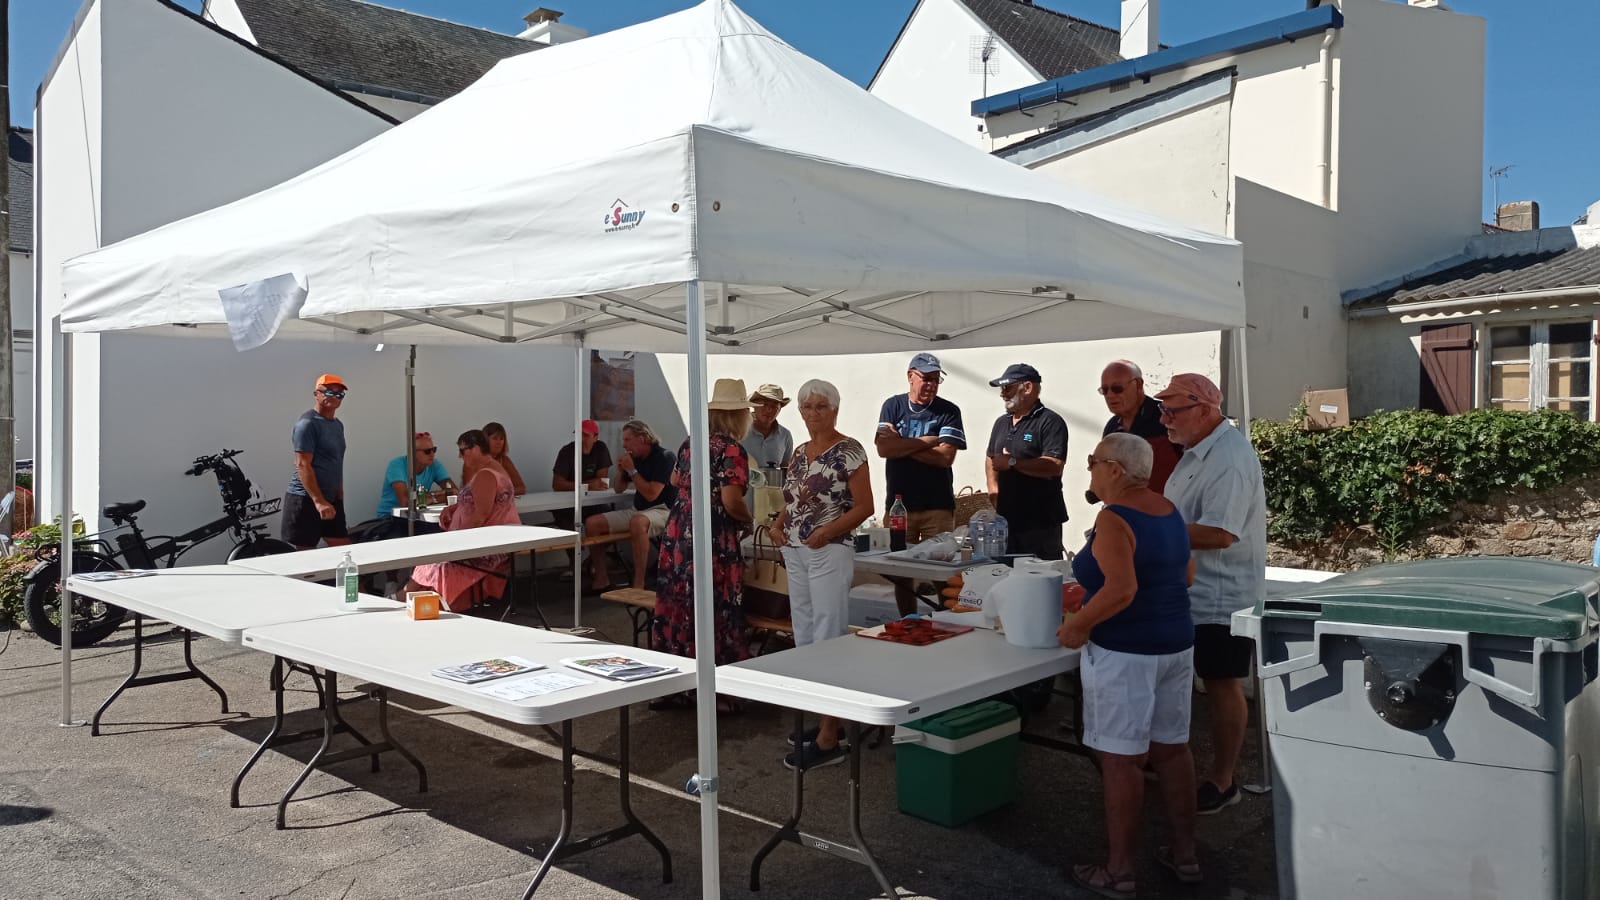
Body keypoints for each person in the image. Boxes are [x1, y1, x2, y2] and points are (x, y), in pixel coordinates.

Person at [1059, 433, 1200, 897]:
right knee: (1173, 751)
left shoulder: (1114, 517)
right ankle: (1185, 856)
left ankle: (1119, 871)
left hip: (1126, 652)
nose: (1090, 469)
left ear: (1115, 470)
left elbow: (1122, 589)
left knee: (1122, 761)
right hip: (1176, 642)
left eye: (1093, 462)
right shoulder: (1168, 509)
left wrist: (1079, 625)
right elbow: (1186, 574)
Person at [1156, 373, 1267, 816]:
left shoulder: (1230, 458)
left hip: (1221, 594)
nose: (1164, 418)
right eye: (1163, 409)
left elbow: (1221, 533)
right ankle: (1173, 764)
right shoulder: (1198, 449)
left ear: (1203, 410)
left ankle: (1224, 781)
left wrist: (1150, 530)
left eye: (1172, 410)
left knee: (1222, 685)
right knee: (1191, 681)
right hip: (1189, 589)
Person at [768, 379, 874, 770]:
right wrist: (778, 524)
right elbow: (795, 501)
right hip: (797, 550)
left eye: (820, 406)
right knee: (806, 636)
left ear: (835, 409)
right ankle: (827, 718)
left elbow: (865, 506)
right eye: (806, 407)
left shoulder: (850, 450)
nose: (813, 413)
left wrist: (827, 531)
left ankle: (829, 736)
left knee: (829, 637)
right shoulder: (799, 452)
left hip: (829, 549)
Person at [650, 379, 756, 713]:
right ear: (738, 415)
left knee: (679, 601)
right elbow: (731, 500)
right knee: (713, 604)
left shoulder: (691, 442)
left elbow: (674, 480)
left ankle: (675, 684)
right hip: (712, 532)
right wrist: (749, 519)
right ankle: (716, 690)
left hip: (680, 528)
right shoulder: (732, 450)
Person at [876, 352, 966, 615]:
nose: (931, 385)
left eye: (936, 380)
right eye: (926, 378)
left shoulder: (949, 411)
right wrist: (927, 441)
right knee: (900, 572)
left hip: (937, 506)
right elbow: (883, 449)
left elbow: (945, 458)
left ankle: (946, 623)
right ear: (910, 376)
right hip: (899, 506)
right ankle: (909, 622)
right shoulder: (892, 405)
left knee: (942, 575)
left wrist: (901, 445)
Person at [405, 430, 522, 612]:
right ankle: (411, 601)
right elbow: (482, 503)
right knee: (432, 557)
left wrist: (457, 540)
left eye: (462, 450)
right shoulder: (490, 470)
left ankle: (407, 600)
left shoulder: (486, 475)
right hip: (489, 541)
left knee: (435, 560)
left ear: (476, 448)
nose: (460, 456)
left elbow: (480, 516)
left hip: (486, 547)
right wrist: (456, 508)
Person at [984, 363, 1069, 559]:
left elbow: (1054, 466)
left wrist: (1013, 462)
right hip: (1006, 522)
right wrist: (993, 489)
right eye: (1002, 389)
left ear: (1028, 387)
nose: (1002, 394)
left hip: (1040, 524)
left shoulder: (1050, 421)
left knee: (1041, 575)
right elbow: (991, 457)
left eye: (1008, 387)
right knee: (1005, 573)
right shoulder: (1001, 422)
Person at [585, 419, 677, 592]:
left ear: (642, 438)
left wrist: (633, 471)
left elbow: (651, 494)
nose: (624, 444)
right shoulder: (636, 458)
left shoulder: (664, 457)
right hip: (639, 510)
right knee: (592, 524)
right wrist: (622, 471)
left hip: (663, 510)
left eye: (627, 439)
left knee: (637, 522)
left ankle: (638, 584)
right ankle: (602, 578)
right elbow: (619, 489)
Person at [281, 373, 352, 551]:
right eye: (329, 392)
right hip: (306, 499)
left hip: (331, 498)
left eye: (339, 394)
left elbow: (336, 459)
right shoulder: (307, 424)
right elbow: (302, 464)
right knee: (306, 555)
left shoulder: (337, 425)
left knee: (343, 548)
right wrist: (318, 501)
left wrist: (339, 490)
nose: (334, 397)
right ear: (316, 394)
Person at [1098, 360, 1180, 495]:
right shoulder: (1111, 427)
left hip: (1166, 503)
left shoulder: (1166, 417)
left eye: (1117, 388)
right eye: (1104, 390)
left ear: (1138, 384)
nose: (1110, 395)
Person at [375, 431, 457, 519]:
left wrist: (425, 498)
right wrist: (438, 495)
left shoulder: (435, 465)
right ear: (413, 452)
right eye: (427, 451)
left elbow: (454, 494)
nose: (432, 454)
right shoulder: (397, 465)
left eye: (434, 450)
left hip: (418, 516)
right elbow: (407, 502)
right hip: (390, 517)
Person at [551, 419, 614, 531]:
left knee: (608, 521)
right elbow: (557, 484)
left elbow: (602, 482)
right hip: (567, 502)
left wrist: (575, 485)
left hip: (593, 501)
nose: (581, 439)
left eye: (585, 435)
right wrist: (588, 485)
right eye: (578, 435)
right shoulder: (567, 451)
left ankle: (595, 542)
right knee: (569, 529)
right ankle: (576, 542)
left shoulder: (600, 448)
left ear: (595, 437)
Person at [741, 384, 795, 473]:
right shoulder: (738, 431)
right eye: (764, 404)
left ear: (779, 410)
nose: (769, 410)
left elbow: (786, 471)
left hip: (773, 482)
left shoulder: (785, 435)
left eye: (774, 406)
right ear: (754, 405)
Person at [482, 422, 527, 496]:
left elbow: (521, 488)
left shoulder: (504, 460)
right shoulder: (475, 461)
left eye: (501, 439)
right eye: (495, 438)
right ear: (485, 440)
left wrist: (502, 493)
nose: (498, 442)